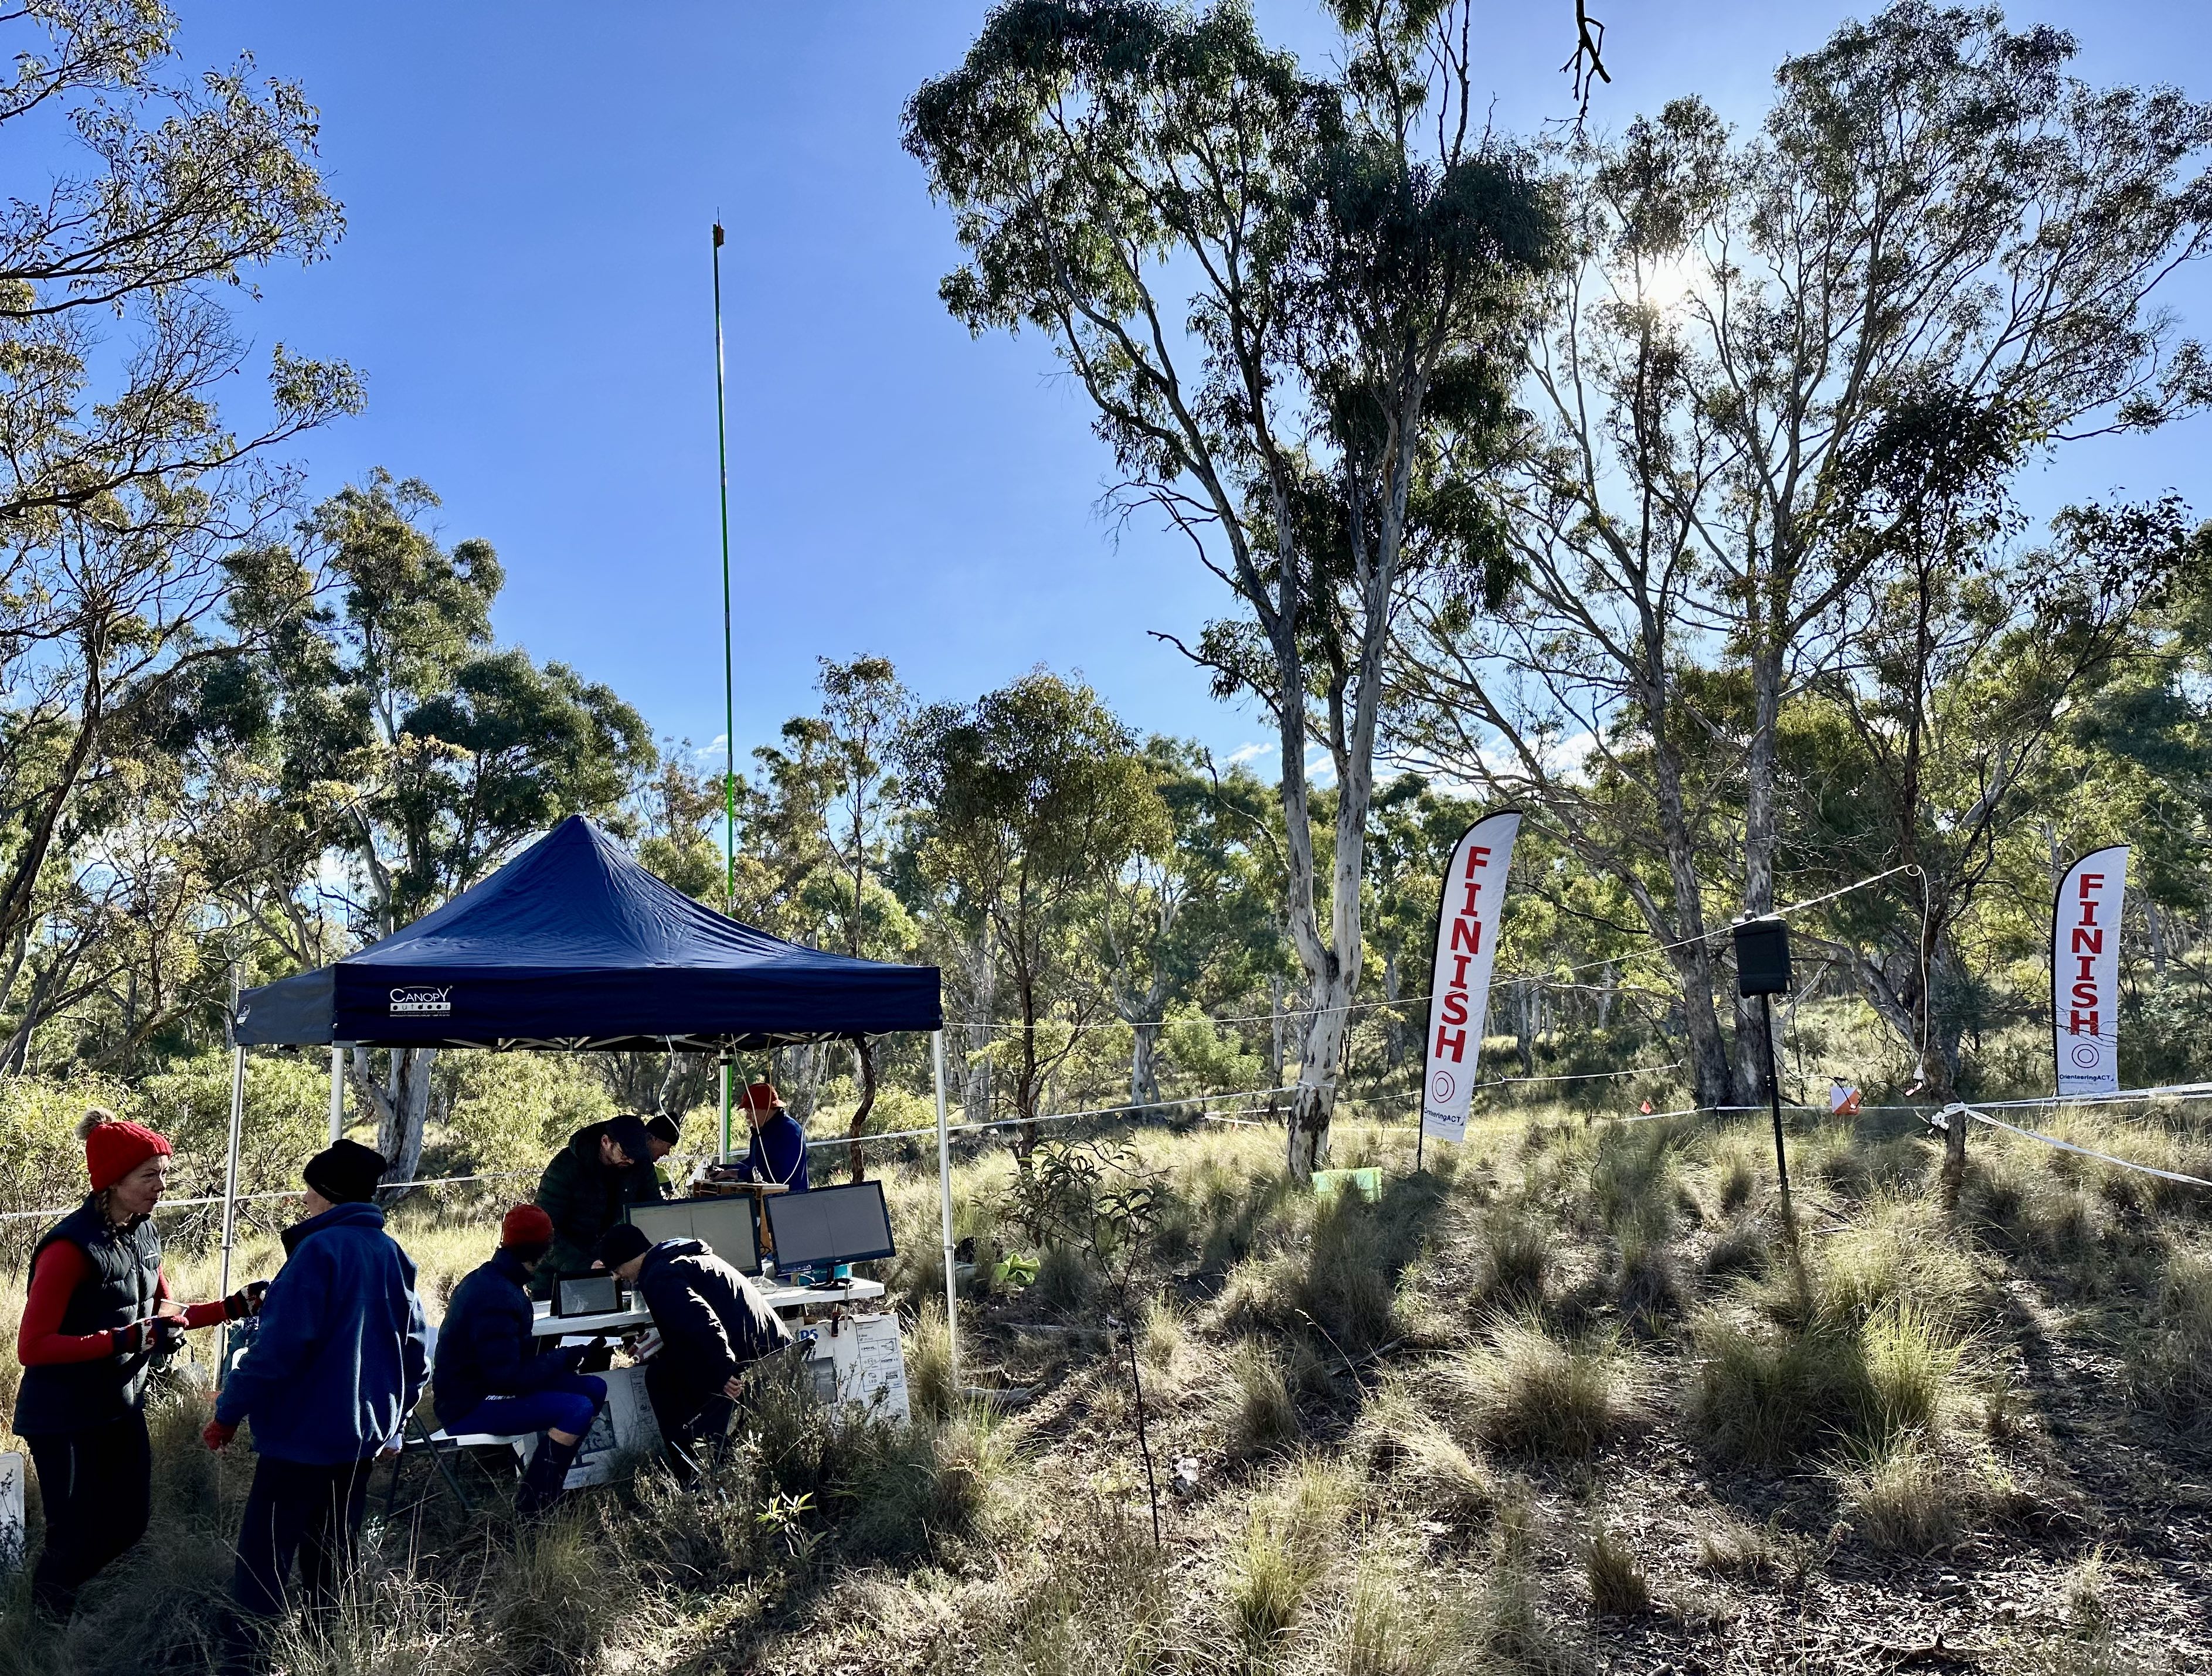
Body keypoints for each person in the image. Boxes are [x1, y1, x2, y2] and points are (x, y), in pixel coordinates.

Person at [12, 1111, 263, 1620]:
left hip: (120, 1405)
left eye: (163, 1172)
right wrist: (122, 1339)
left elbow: (169, 1315)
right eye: (150, 1175)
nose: (162, 1186)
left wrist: (234, 1306)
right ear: (113, 1180)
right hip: (64, 1419)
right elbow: (33, 1346)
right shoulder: (68, 1248)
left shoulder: (143, 1235)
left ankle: (68, 1603)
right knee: (71, 1530)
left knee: (130, 1521)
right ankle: (43, 1628)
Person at [203, 1139, 430, 1638]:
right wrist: (393, 1423)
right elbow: (418, 1355)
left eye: (309, 1189)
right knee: (334, 1553)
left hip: (299, 1441)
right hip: (360, 1443)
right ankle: (329, 1649)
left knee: (264, 1560)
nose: (304, 1199)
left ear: (327, 1193)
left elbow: (275, 1352)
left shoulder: (317, 1251)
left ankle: (247, 1660)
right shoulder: (393, 1253)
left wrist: (227, 1412)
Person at [431, 1204, 608, 1515]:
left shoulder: (493, 1280)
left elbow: (509, 1366)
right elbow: (507, 1378)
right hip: (468, 1405)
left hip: (482, 1388)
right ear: (542, 1253)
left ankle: (551, 1483)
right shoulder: (498, 1296)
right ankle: (535, 1505)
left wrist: (567, 1357)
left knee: (594, 1388)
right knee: (577, 1407)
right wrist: (570, 1356)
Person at [594, 1221, 790, 1477]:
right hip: (775, 1349)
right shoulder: (683, 1258)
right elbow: (699, 1316)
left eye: (617, 1269)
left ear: (630, 1258)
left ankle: (696, 1474)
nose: (619, 1276)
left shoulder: (658, 1276)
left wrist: (723, 1372)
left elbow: (702, 1320)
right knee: (668, 1369)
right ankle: (710, 1464)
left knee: (658, 1379)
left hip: (750, 1361)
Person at [532, 1113, 664, 1297]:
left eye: (635, 1156)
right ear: (605, 1142)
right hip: (558, 1275)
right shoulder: (565, 1168)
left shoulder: (640, 1163)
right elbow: (544, 1232)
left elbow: (653, 1213)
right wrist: (585, 1266)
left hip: (616, 1271)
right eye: (625, 1154)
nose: (631, 1161)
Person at [737, 1082, 808, 1193]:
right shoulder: (761, 1132)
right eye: (746, 1111)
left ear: (766, 1108)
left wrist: (737, 1174)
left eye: (750, 1111)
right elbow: (753, 1163)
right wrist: (724, 1170)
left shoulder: (789, 1132)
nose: (747, 1117)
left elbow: (776, 1175)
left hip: (789, 1201)